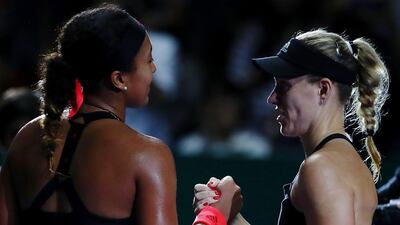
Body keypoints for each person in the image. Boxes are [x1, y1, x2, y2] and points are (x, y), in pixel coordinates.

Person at [0, 3, 240, 225]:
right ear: (119, 78)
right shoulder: (146, 154)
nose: (154, 68)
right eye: (148, 60)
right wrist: (216, 212)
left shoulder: (24, 137)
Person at [193, 28, 390, 225]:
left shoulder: (322, 168)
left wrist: (213, 219)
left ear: (323, 89)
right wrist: (231, 217)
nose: (271, 99)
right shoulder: (341, 164)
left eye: (283, 87)